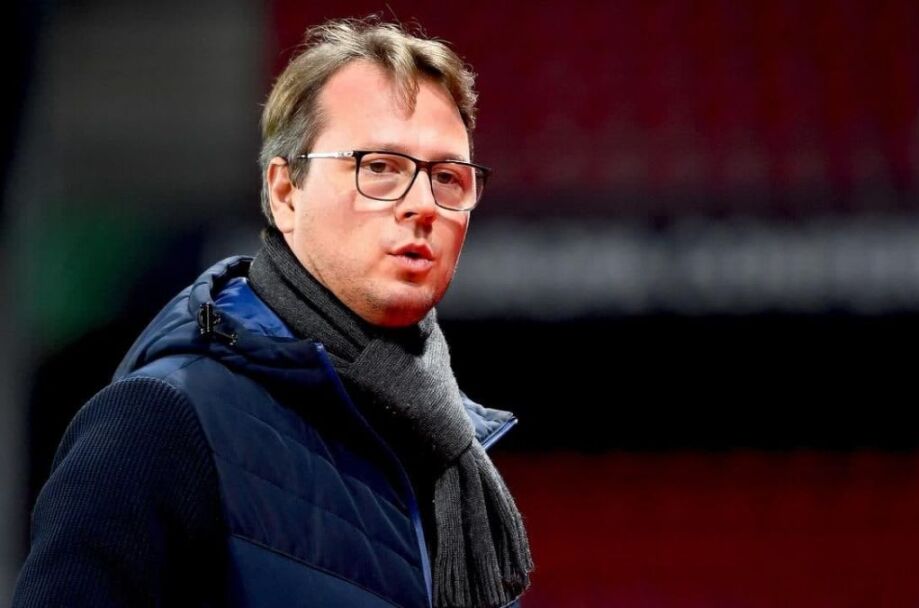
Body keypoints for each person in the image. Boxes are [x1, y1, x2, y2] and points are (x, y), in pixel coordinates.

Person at [13, 16, 532, 608]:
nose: (423, 205)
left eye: (447, 177)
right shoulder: (161, 422)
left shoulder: (452, 457)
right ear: (285, 192)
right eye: (380, 167)